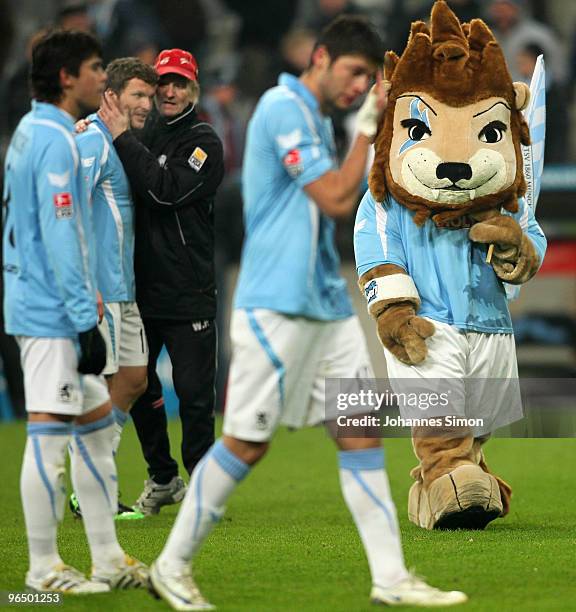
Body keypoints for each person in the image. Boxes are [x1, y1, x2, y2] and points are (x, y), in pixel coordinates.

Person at [147, 16, 468, 609]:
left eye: (368, 78)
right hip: (278, 306)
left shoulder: (316, 117)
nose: (358, 86)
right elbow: (336, 198)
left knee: (360, 432)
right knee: (247, 442)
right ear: (321, 58)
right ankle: (170, 565)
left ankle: (391, 577)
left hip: (324, 304)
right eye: (354, 73)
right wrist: (368, 130)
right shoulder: (281, 106)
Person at [2, 30, 147, 593]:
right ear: (67, 78)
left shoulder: (31, 131)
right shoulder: (59, 139)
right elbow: (61, 230)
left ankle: (108, 558)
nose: (99, 77)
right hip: (50, 313)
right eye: (92, 68)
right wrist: (81, 315)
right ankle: (42, 570)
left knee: (92, 433)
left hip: (50, 304)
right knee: (49, 436)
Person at [98, 48, 225, 515]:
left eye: (180, 84)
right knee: (141, 389)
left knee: (194, 398)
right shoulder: (138, 134)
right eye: (162, 84)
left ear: (194, 90)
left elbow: (163, 191)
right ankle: (163, 477)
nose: (169, 92)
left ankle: (203, 485)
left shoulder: (203, 142)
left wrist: (120, 139)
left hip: (189, 292)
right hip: (140, 289)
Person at [69, 57, 158, 520]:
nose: (146, 103)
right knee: (100, 389)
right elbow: (71, 211)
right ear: (113, 96)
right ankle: (88, 488)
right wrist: (85, 283)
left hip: (124, 289)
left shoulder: (122, 143)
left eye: (149, 95)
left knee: (133, 380)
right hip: (100, 291)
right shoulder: (90, 141)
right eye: (137, 95)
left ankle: (89, 476)